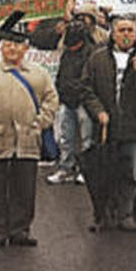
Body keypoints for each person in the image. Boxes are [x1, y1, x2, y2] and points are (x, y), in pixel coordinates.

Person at [80, 16, 136, 232]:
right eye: (122, 30)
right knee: (105, 172)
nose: (126, 34)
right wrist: (98, 111)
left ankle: (126, 213)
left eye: (130, 30)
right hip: (106, 126)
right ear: (113, 33)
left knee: (130, 173)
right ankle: (103, 213)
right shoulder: (98, 58)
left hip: (134, 125)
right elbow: (86, 89)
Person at [0, 34, 58, 250]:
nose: (12, 48)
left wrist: (41, 123)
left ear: (26, 48)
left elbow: (51, 99)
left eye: (17, 44)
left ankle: (20, 230)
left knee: (25, 187)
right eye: (8, 44)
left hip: (28, 139)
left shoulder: (39, 74)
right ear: (1, 47)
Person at [46, 21, 93, 186]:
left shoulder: (91, 54)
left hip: (82, 101)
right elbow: (61, 74)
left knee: (86, 139)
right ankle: (66, 167)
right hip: (67, 100)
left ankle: (85, 170)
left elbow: (87, 80)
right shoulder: (67, 54)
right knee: (66, 138)